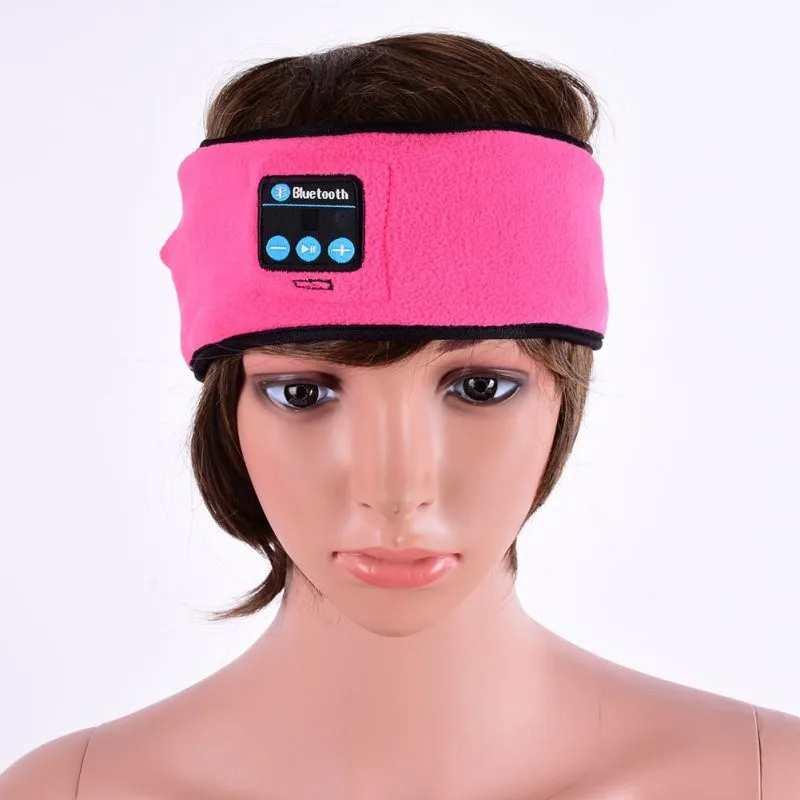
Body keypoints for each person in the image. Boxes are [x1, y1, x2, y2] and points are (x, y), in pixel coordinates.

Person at [2, 30, 799, 800]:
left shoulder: (763, 781)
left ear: (565, 393)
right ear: (228, 409)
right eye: (304, 393)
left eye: (478, 388)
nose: (395, 490)